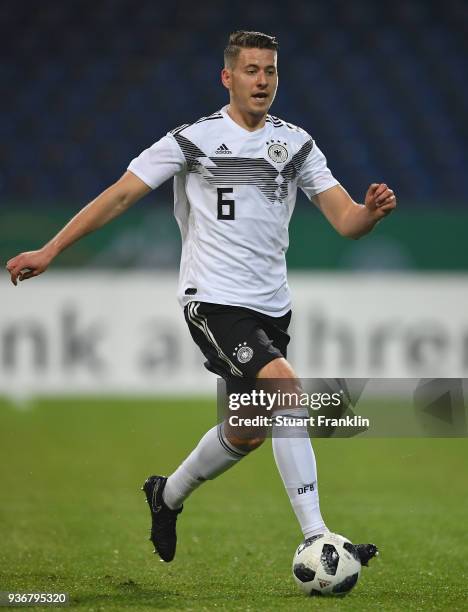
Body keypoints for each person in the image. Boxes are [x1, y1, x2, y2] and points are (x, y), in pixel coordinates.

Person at [6, 31, 395, 567]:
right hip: (212, 301)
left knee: (249, 429)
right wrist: (50, 249)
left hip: (273, 306)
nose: (262, 81)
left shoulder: (297, 144)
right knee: (285, 387)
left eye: (271, 71)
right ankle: (316, 536)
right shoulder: (192, 140)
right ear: (227, 77)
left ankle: (165, 495)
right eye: (252, 70)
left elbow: (345, 221)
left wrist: (370, 214)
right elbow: (120, 194)